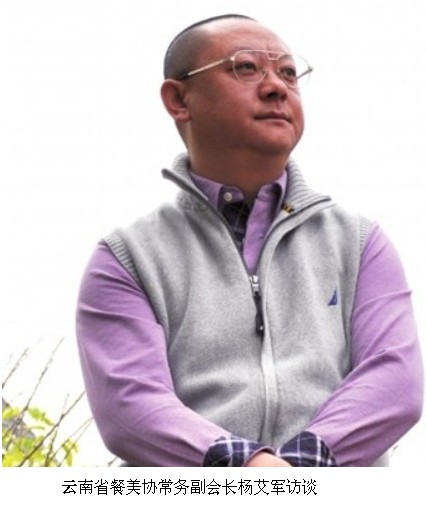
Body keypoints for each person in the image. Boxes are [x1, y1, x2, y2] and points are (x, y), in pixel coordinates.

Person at [76, 14, 423, 467]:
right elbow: (130, 406)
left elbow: (396, 381)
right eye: (246, 67)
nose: (277, 86)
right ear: (179, 99)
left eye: (288, 73)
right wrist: (246, 468)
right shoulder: (128, 257)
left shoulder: (358, 242)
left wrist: (298, 471)